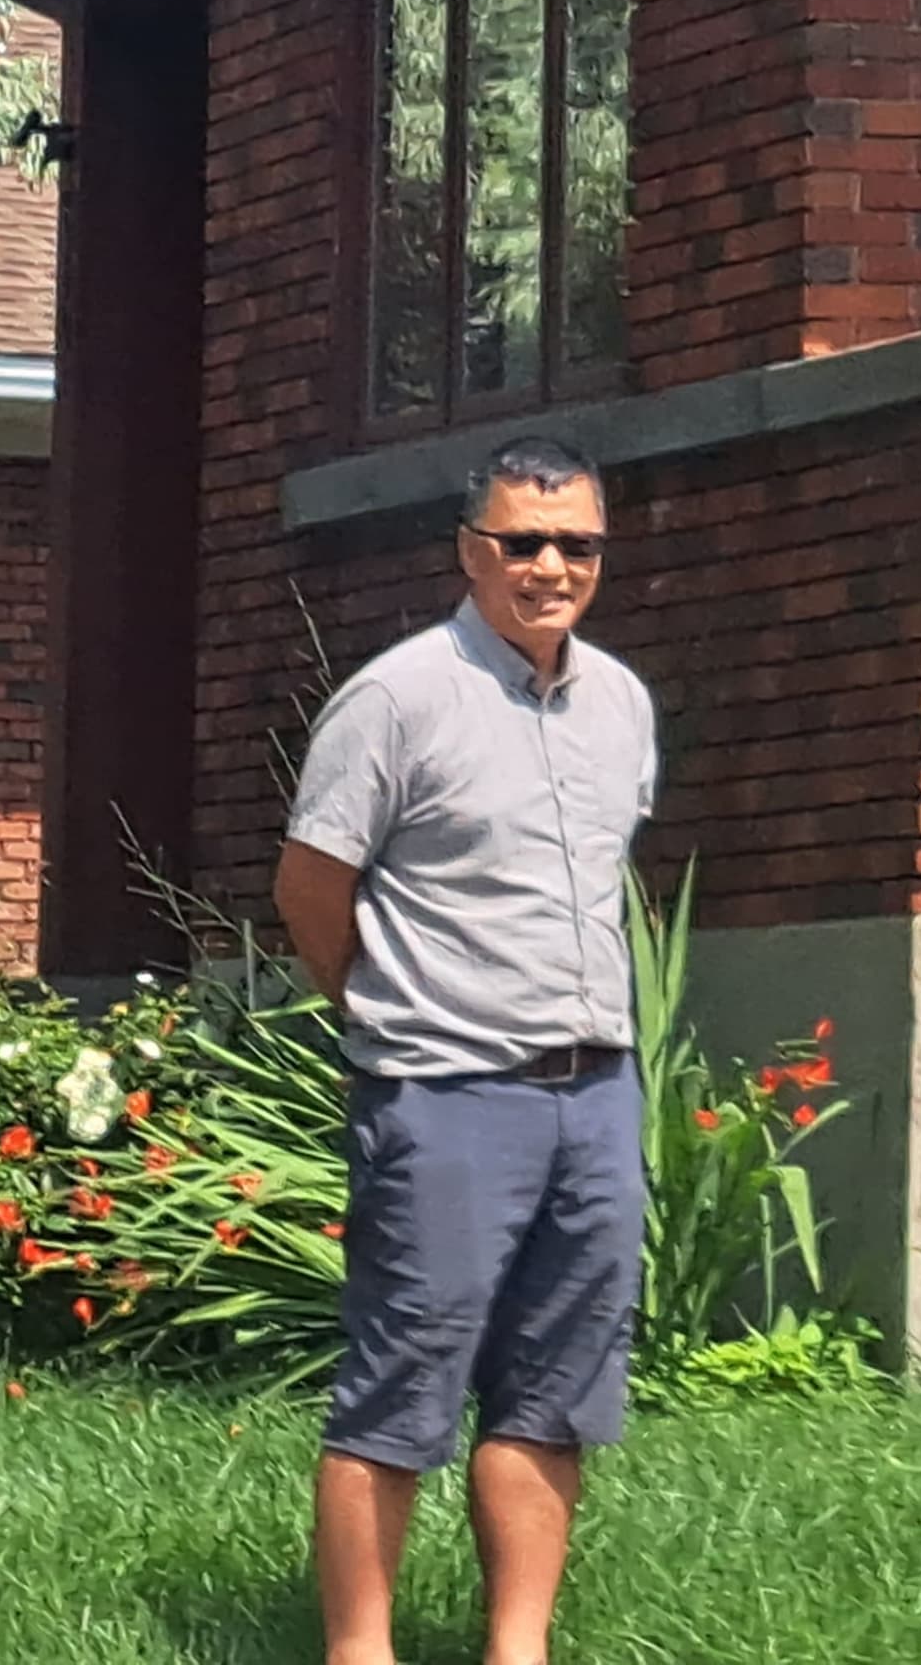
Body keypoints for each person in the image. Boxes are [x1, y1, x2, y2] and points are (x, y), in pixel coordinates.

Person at [273, 438, 657, 1665]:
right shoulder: (397, 700)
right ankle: (362, 1654)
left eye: (576, 544)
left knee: (556, 1396)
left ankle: (517, 1650)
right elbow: (310, 886)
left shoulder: (621, 705)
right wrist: (387, 1013)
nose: (549, 566)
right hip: (442, 1095)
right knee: (401, 1394)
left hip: (595, 1096)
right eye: (522, 542)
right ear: (469, 552)